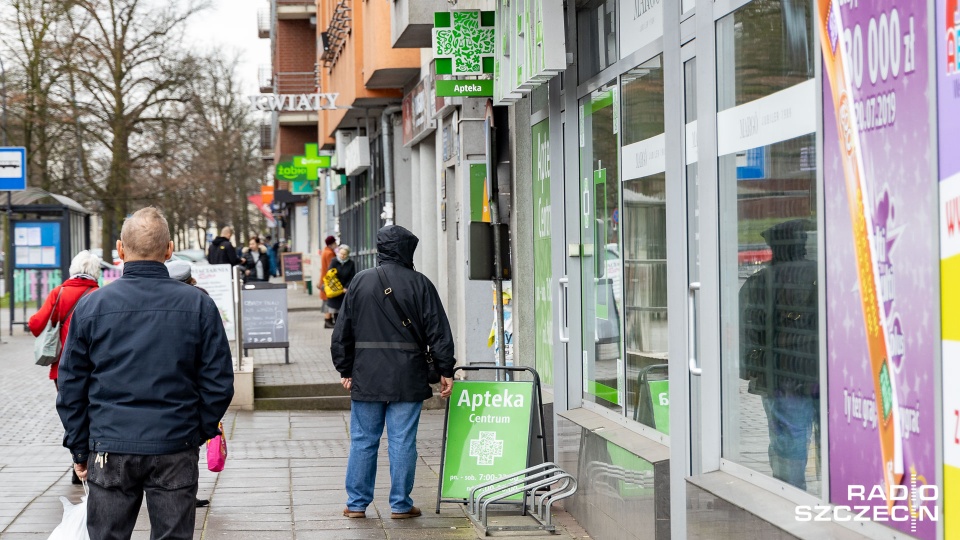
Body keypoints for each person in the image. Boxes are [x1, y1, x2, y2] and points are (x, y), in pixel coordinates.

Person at [57, 207, 234, 540]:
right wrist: (197, 431)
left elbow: (70, 386)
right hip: (174, 442)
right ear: (169, 251)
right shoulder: (198, 305)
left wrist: (80, 448)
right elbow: (219, 382)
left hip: (110, 445)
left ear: (121, 251)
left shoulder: (92, 306)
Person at [331, 225, 455, 520]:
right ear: (408, 250)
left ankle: (357, 503)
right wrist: (444, 369)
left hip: (367, 372)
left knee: (363, 439)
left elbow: (342, 332)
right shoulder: (420, 284)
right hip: (407, 373)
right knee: (402, 440)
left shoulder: (360, 281)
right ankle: (400, 504)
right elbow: (438, 331)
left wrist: (345, 368)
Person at [739, 219, 819, 490]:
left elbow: (748, 332)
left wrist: (750, 370)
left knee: (788, 444)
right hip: (821, 376)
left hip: (782, 379)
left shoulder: (760, 281)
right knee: (825, 440)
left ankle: (791, 499)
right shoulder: (822, 274)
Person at [29, 250, 101, 485]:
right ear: (95, 271)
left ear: (73, 269)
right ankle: (94, 462)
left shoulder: (59, 293)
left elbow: (36, 324)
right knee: (95, 413)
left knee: (74, 414)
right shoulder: (100, 295)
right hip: (96, 367)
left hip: (64, 369)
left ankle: (77, 461)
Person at [324, 245, 356, 325]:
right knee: (335, 309)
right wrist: (337, 286)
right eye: (341, 253)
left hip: (344, 290)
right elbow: (330, 274)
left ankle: (341, 325)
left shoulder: (351, 263)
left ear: (348, 254)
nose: (342, 256)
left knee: (343, 308)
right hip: (335, 289)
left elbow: (352, 276)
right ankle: (336, 325)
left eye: (344, 254)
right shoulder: (334, 261)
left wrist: (346, 287)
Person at [320, 235, 338, 328]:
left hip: (324, 279)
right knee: (328, 300)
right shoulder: (329, 253)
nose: (336, 245)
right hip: (328, 281)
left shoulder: (325, 251)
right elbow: (331, 268)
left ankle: (328, 320)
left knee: (326, 300)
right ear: (332, 244)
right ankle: (328, 320)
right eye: (335, 243)